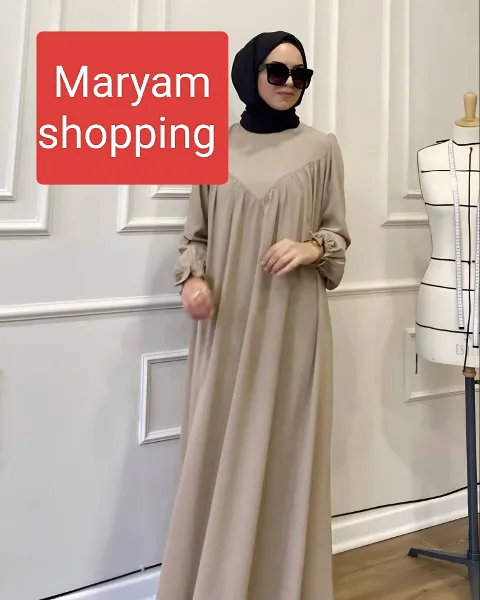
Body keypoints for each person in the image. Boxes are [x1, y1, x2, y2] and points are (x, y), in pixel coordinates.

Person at [156, 30, 351, 600]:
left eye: (300, 75)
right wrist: (193, 280)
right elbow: (194, 236)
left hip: (293, 326)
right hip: (227, 327)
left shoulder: (321, 148)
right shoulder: (213, 145)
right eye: (277, 71)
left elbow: (338, 233)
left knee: (287, 454)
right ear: (250, 73)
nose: (290, 83)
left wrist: (311, 248)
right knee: (215, 451)